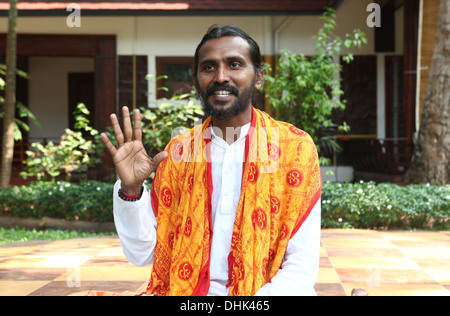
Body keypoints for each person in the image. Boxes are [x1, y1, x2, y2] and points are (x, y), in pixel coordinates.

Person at [101, 25, 322, 296]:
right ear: (195, 80)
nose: (220, 77)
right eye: (208, 68)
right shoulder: (179, 153)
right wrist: (131, 191)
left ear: (259, 77)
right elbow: (142, 254)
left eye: (235, 65)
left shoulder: (294, 148)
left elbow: (300, 269)